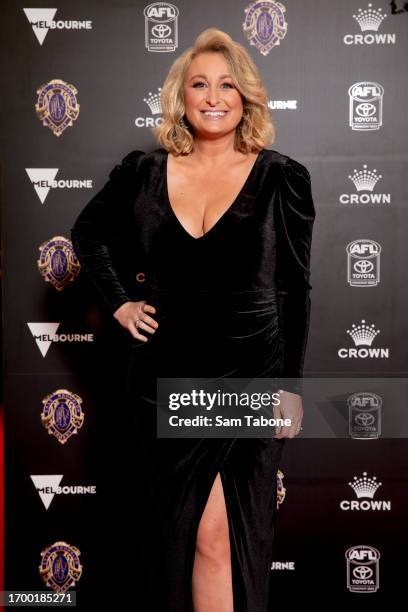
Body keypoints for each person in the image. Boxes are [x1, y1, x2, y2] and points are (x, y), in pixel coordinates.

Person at [71, 27, 315, 612]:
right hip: (165, 379)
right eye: (199, 84)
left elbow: (294, 288)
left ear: (247, 97)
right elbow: (88, 234)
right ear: (180, 97)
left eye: (227, 84)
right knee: (171, 543)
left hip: (248, 373)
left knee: (220, 537)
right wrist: (119, 302)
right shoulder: (142, 172)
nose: (213, 96)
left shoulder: (282, 176)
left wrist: (290, 385)